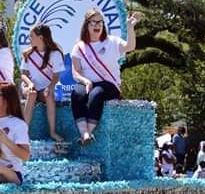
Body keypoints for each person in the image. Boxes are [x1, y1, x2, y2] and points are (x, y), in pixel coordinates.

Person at [70, 8, 141, 145]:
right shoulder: (79, 48)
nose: (97, 25)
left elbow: (130, 47)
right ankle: (83, 132)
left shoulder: (112, 41)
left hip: (109, 85)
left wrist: (130, 27)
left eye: (100, 22)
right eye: (93, 22)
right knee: (77, 94)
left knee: (96, 94)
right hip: (88, 83)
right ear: (87, 25)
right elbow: (76, 72)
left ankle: (89, 133)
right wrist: (85, 81)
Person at [20, 24, 65, 141]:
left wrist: (50, 87)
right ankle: (24, 132)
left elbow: (56, 76)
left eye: (31, 36)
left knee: (49, 95)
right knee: (32, 94)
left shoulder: (55, 54)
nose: (29, 38)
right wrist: (29, 84)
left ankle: (52, 132)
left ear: (41, 38)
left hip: (45, 88)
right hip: (29, 86)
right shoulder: (28, 54)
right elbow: (23, 74)